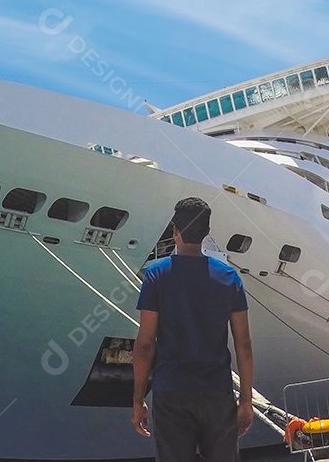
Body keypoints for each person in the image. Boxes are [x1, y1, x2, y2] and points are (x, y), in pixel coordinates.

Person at [131, 197, 254, 462]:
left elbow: (145, 345)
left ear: (175, 231)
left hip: (171, 392)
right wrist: (246, 399)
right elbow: (243, 344)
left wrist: (138, 399)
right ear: (207, 233)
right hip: (218, 393)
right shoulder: (229, 277)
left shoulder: (156, 275)